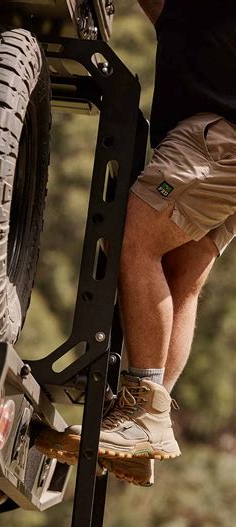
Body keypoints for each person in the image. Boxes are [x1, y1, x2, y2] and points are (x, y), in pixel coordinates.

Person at [36, 0, 236, 485]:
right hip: (222, 149)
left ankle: (143, 414)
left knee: (135, 243)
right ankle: (148, 420)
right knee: (181, 279)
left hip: (211, 144)